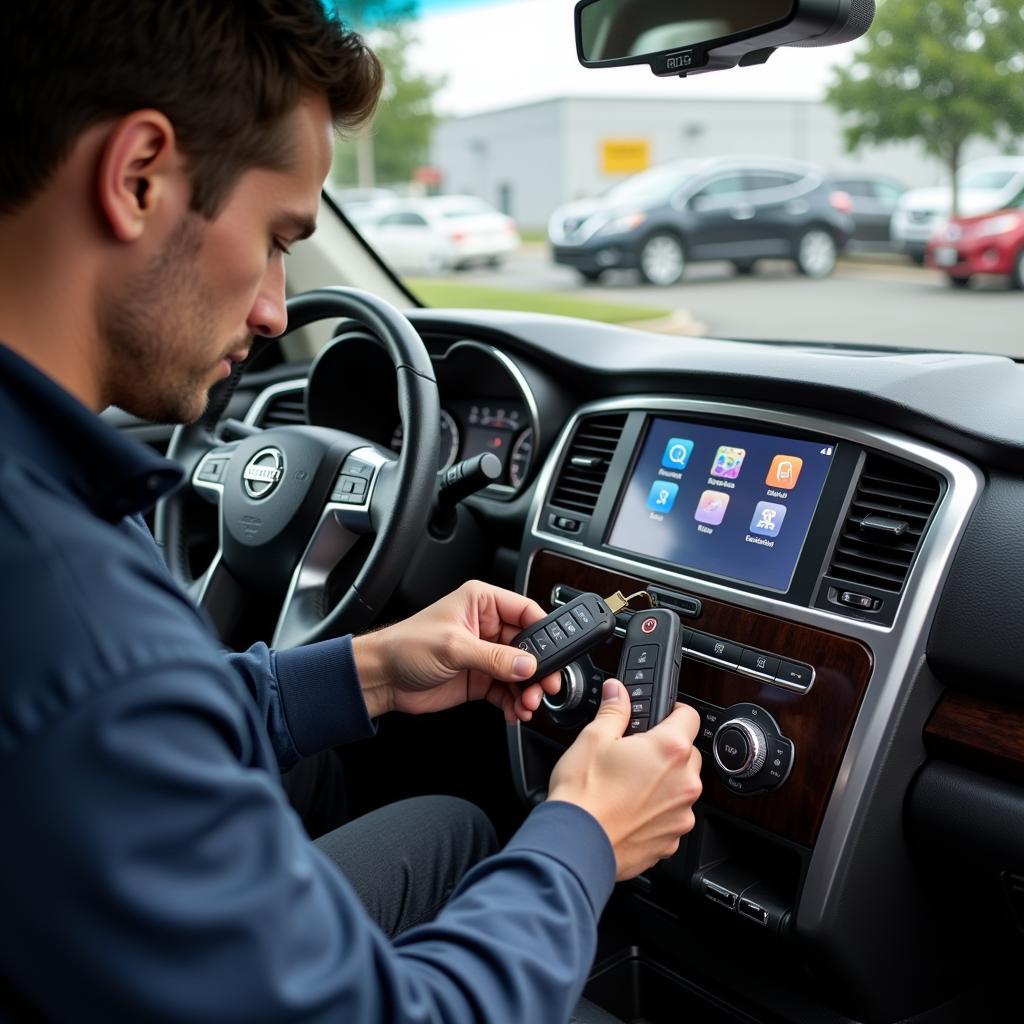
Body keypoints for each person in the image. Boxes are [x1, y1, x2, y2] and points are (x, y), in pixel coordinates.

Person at [0, 2, 703, 1020]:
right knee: (499, 857)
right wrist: (584, 832)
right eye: (279, 237)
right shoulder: (70, 605)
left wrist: (365, 670)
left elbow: (141, 739)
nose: (278, 309)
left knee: (453, 831)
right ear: (139, 174)